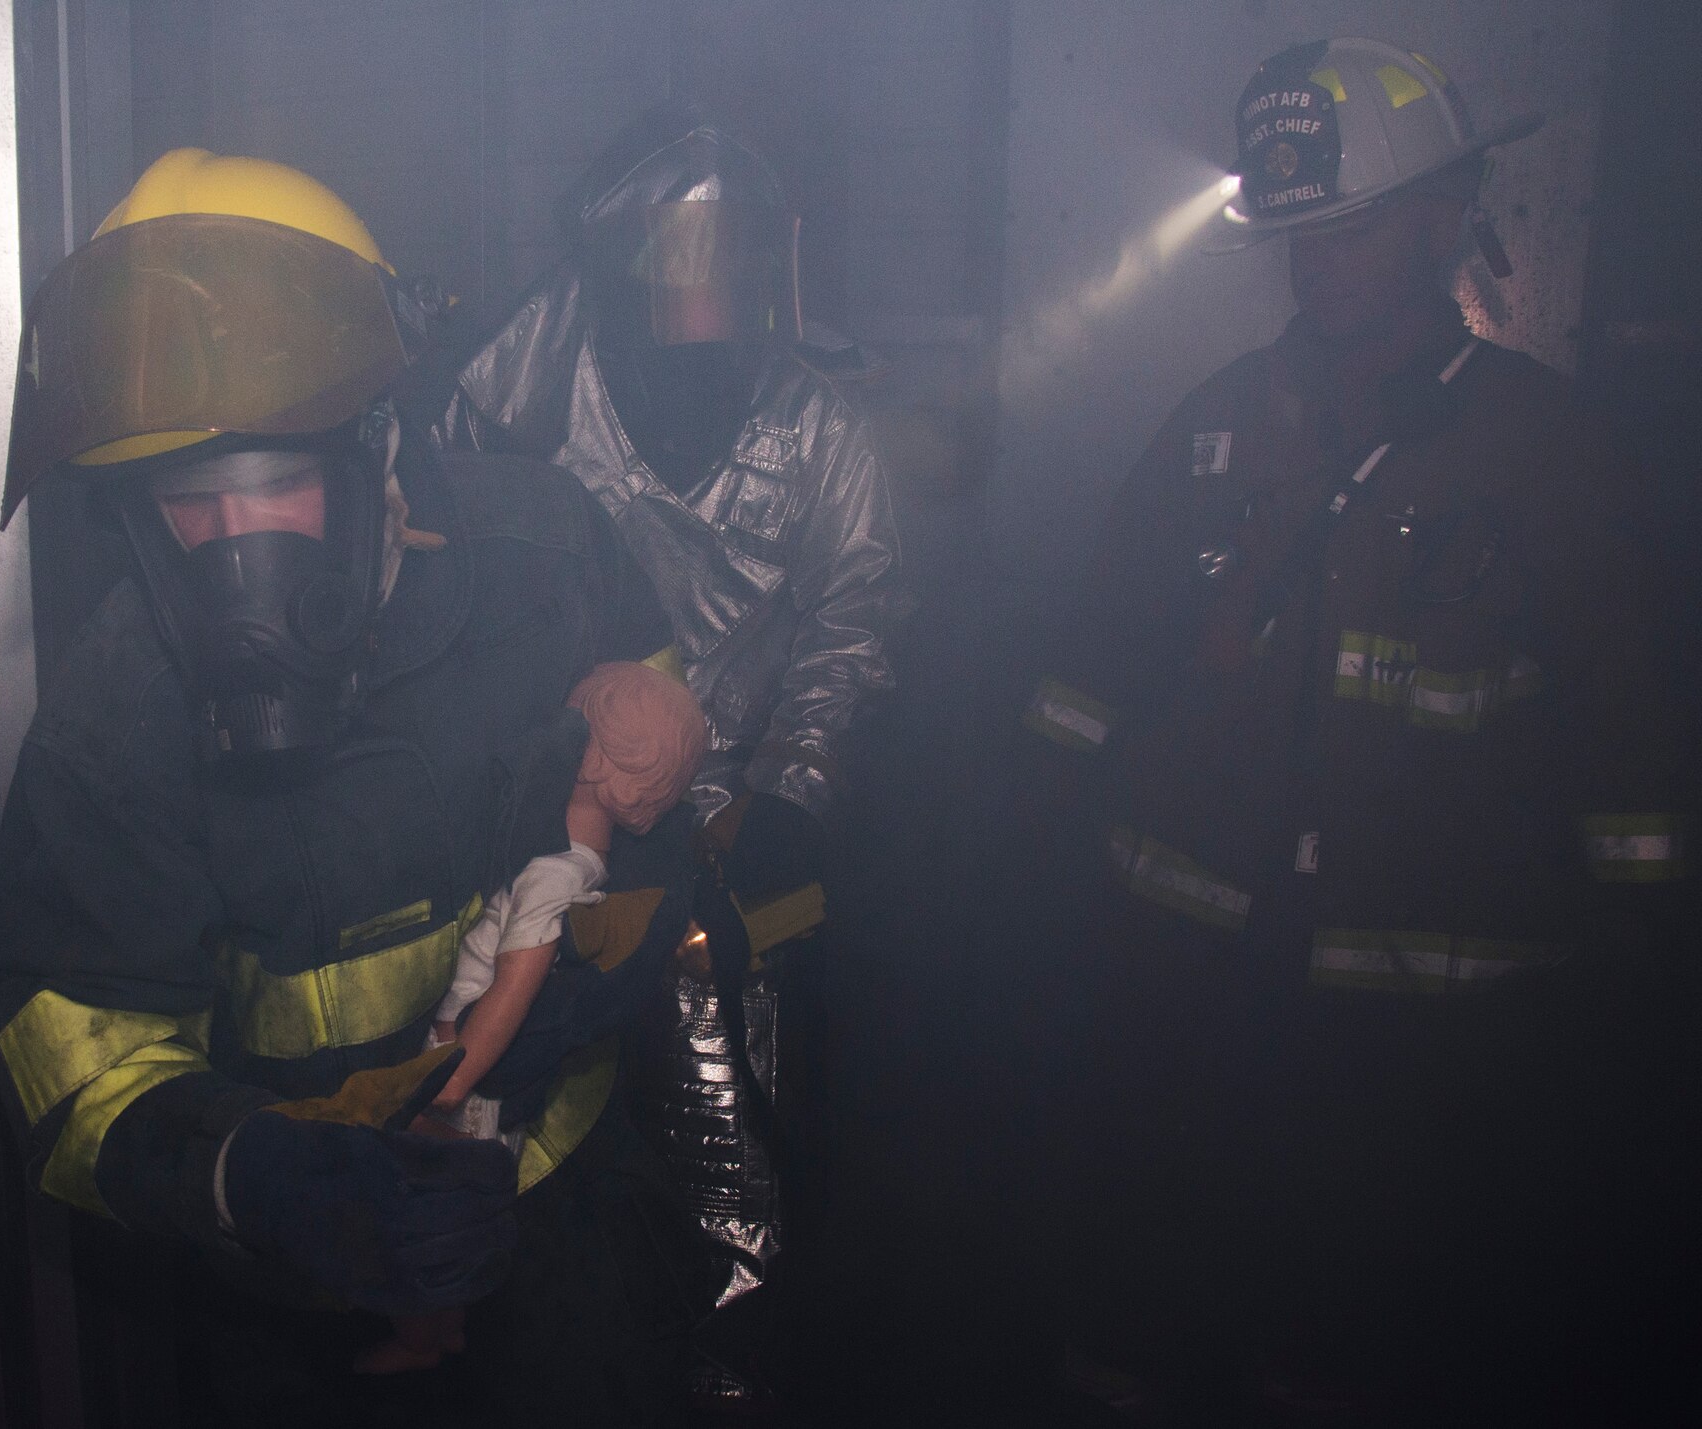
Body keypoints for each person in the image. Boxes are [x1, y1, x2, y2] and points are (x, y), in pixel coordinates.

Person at [1017, 39, 1690, 1423]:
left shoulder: (1550, 460)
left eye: (1355, 229)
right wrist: (1026, 891)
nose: (1317, 266)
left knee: (1345, 1363)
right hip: (1182, 1007)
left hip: (1420, 1057)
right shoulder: (1215, 430)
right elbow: (1083, 675)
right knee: (1126, 1338)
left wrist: (1644, 996)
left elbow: (1637, 752)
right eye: (1300, 236)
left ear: (1449, 218)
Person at [0, 147, 699, 1424]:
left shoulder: (546, 554)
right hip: (289, 1291)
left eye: (273, 487)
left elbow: (660, 796)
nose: (231, 554)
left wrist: (582, 977)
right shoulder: (114, 717)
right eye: (183, 503)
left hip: (559, 1218)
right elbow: (77, 1072)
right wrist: (255, 1178)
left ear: (380, 448)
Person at [430, 102, 909, 1407]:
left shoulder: (823, 431)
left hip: (746, 828)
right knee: (528, 1072)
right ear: (617, 266)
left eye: (735, 265)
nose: (709, 301)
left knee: (740, 1079)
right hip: (558, 813)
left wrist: (793, 795)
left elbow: (856, 622)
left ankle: (735, 1348)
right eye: (679, 267)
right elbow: (455, 583)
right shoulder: (519, 386)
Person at [364, 661, 709, 1375]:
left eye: (575, 726)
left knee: (430, 1210)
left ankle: (423, 1339)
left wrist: (456, 1072)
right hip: (470, 1058)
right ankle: (446, 1328)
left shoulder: (557, 871)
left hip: (466, 1063)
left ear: (602, 756)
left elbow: (518, 980)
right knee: (450, 1207)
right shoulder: (573, 858)